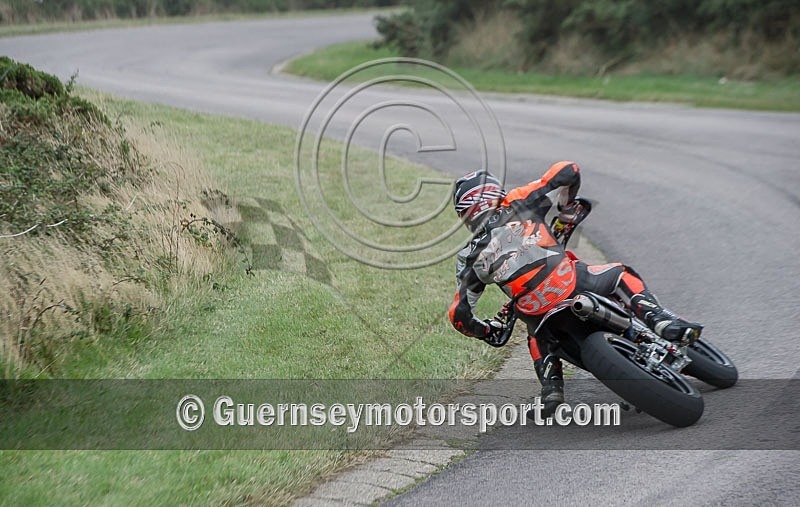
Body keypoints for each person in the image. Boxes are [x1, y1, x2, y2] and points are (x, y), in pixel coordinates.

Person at [448, 162, 703, 415]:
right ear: (495, 193)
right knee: (620, 273)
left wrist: (485, 330)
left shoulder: (470, 255)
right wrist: (566, 209)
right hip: (573, 282)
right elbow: (568, 169)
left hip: (538, 314)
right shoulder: (516, 201)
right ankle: (658, 320)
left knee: (536, 333)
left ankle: (551, 389)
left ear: (465, 214)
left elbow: (458, 315)